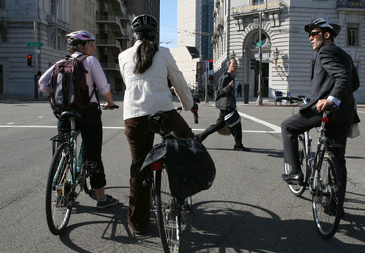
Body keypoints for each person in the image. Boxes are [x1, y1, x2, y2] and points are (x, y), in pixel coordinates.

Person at [119, 14, 198, 234]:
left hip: (134, 116)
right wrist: (189, 104)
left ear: (134, 35)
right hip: (164, 113)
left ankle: (138, 223)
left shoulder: (123, 55)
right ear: (155, 34)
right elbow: (178, 80)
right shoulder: (164, 53)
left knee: (139, 168)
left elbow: (128, 83)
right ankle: (182, 189)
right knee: (187, 142)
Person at [280, 18, 359, 206]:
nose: (310, 38)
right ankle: (335, 205)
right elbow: (353, 83)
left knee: (288, 127)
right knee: (338, 160)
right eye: (309, 35)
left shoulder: (325, 51)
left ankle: (295, 172)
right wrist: (337, 96)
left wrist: (331, 98)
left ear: (327, 35)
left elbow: (341, 76)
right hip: (344, 114)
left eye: (314, 34)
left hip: (326, 110)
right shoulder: (345, 55)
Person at [38, 30, 119, 210]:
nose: (94, 48)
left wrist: (58, 98)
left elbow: (42, 84)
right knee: (93, 154)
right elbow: (104, 88)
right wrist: (110, 103)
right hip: (88, 113)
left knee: (64, 153)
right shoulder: (90, 61)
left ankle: (61, 195)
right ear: (81, 46)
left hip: (64, 113)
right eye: (91, 44)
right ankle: (101, 198)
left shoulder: (60, 63)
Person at [195, 58, 250, 151]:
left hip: (229, 105)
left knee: (220, 125)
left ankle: (199, 137)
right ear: (228, 66)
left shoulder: (231, 76)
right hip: (226, 106)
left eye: (236, 64)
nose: (235, 65)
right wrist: (229, 86)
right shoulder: (225, 77)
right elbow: (219, 92)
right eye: (233, 64)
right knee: (236, 125)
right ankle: (238, 145)